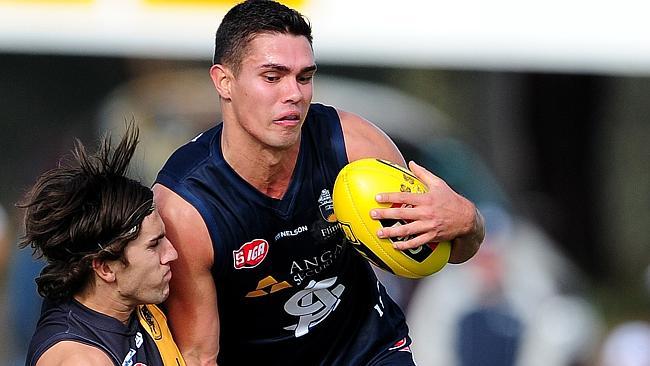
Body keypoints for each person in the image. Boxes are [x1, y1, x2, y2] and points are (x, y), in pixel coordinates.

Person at [153, 1, 485, 364]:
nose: (293, 93)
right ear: (224, 81)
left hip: (367, 350)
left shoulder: (354, 147)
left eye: (304, 77)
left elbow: (445, 254)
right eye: (272, 76)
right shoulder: (186, 208)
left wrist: (468, 222)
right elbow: (199, 354)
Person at [20, 124, 186, 366]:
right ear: (105, 268)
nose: (171, 253)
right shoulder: (79, 358)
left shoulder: (133, 301)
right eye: (154, 245)